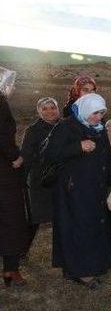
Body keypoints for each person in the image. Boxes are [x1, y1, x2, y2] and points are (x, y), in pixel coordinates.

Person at [42, 93, 111, 290]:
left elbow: (107, 156)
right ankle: (81, 271)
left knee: (93, 227)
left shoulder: (99, 129)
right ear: (85, 110)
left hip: (94, 187)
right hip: (72, 190)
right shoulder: (66, 126)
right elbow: (48, 153)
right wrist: (78, 146)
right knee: (78, 229)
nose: (98, 117)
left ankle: (89, 265)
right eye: (95, 113)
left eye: (102, 113)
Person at [0, 80, 30, 287]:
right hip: (3, 170)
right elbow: (2, 134)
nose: (13, 87)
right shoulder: (0, 101)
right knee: (11, 218)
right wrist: (15, 157)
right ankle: (10, 270)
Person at [21, 97, 61, 242]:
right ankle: (20, 249)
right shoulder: (32, 131)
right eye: (45, 108)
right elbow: (26, 156)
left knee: (63, 217)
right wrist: (22, 180)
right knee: (35, 219)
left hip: (62, 180)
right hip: (41, 181)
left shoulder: (66, 127)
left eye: (53, 107)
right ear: (39, 112)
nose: (50, 111)